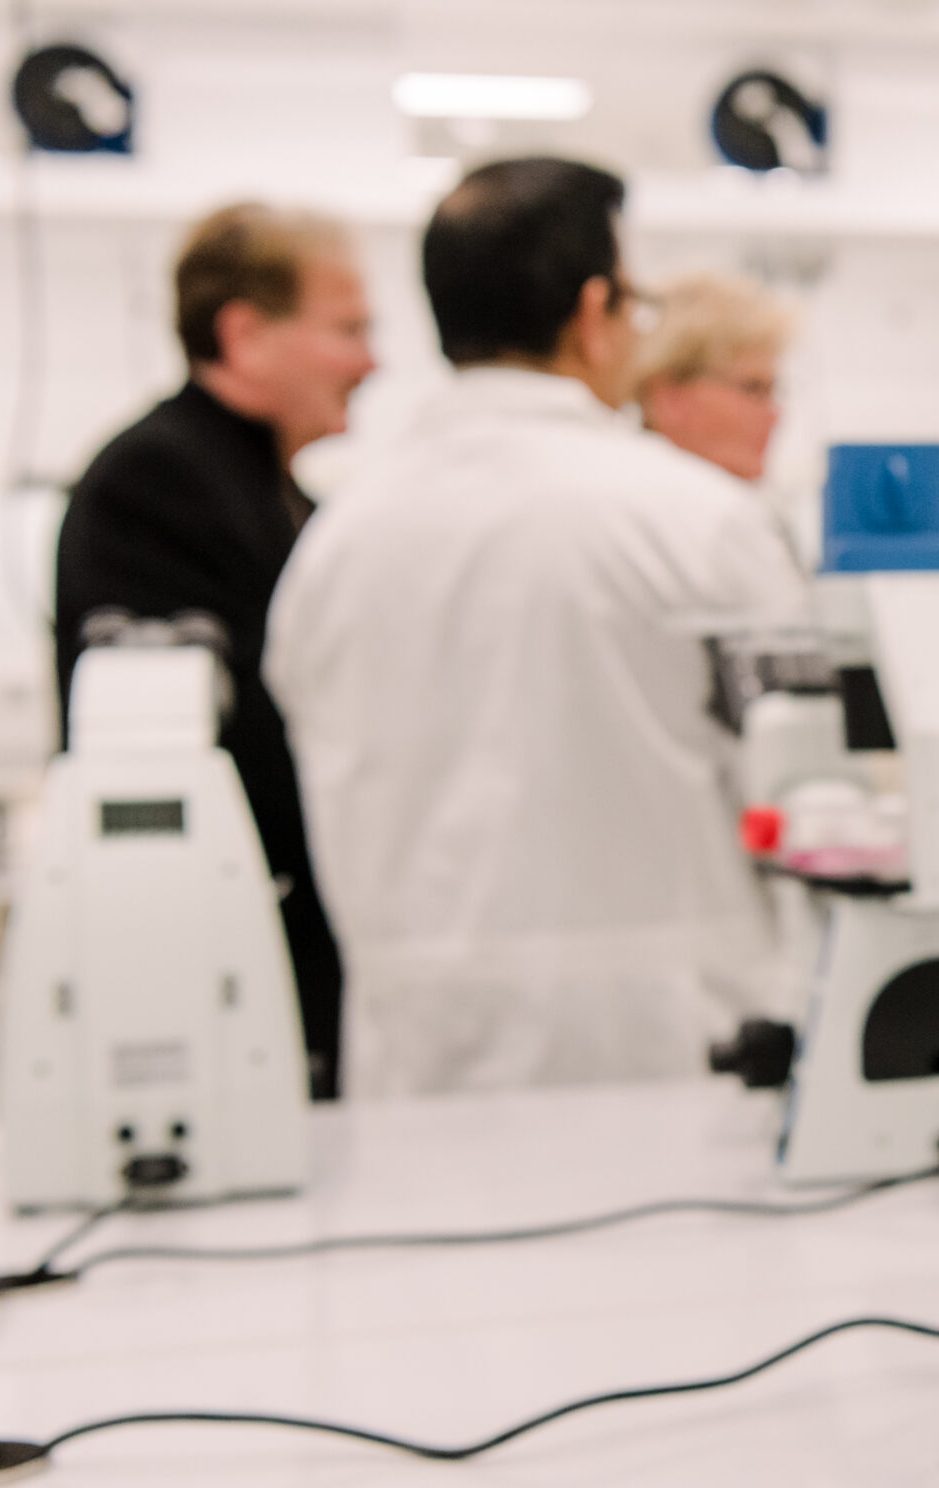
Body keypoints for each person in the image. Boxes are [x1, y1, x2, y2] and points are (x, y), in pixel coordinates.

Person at [263, 157, 800, 1098]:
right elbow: (804, 790)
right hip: (670, 1062)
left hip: (419, 1067)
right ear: (596, 312)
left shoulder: (332, 546)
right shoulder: (696, 522)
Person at [52, 202, 373, 1101]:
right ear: (245, 334)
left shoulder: (274, 493)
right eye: (347, 329)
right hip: (211, 956)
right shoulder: (155, 482)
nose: (371, 362)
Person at [629, 270, 806, 604]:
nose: (775, 413)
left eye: (774, 390)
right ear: (669, 397)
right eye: (754, 388)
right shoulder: (722, 522)